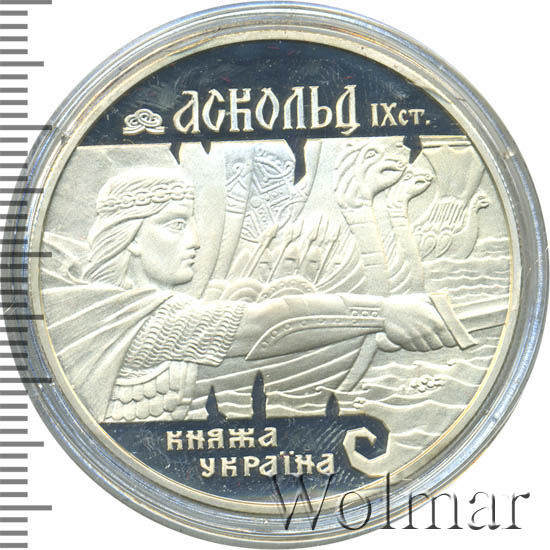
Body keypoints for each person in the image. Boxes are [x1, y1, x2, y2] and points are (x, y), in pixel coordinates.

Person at [43, 167, 455, 423]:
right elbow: (264, 323)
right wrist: (382, 313)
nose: (196, 240)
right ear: (129, 238)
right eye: (175, 225)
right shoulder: (135, 320)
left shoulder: (111, 310)